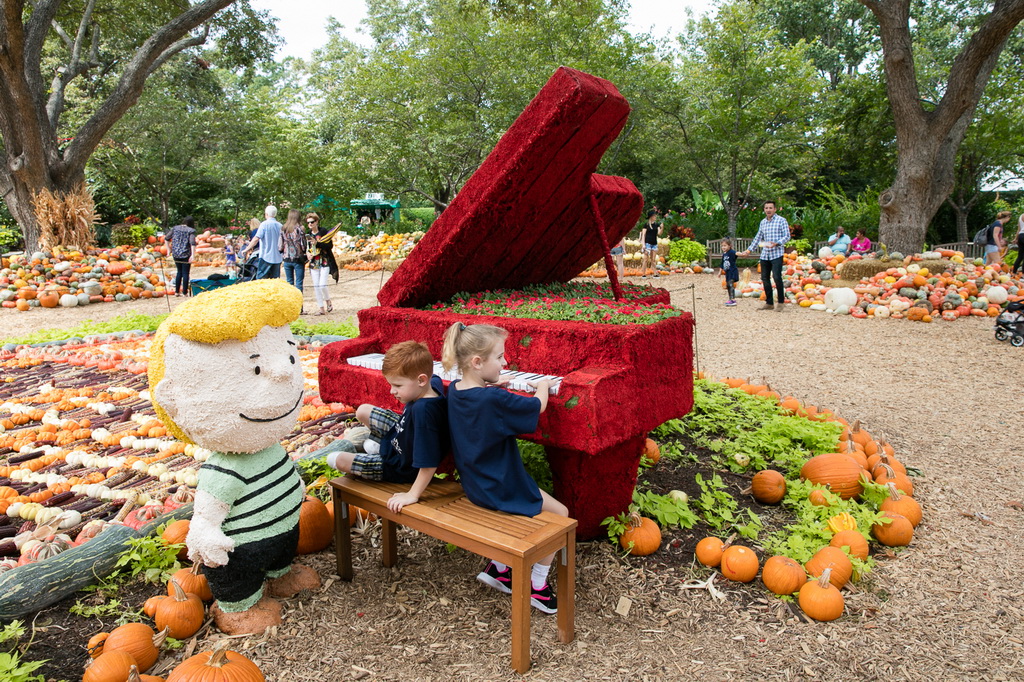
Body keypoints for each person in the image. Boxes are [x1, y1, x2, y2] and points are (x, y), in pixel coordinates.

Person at [441, 322, 570, 615]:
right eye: (499, 357)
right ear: (477, 362)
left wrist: (491, 385)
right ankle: (537, 586)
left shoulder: (457, 390)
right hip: (501, 487)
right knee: (560, 516)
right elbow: (536, 407)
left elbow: (483, 404)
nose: (505, 362)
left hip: (476, 485)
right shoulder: (492, 398)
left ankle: (499, 569)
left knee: (538, 502)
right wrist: (540, 387)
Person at [325, 341, 449, 512]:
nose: (392, 391)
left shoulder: (424, 414)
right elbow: (435, 377)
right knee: (362, 411)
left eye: (398, 385)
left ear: (421, 380)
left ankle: (377, 450)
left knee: (335, 459)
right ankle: (378, 445)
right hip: (399, 433)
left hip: (400, 466)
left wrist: (412, 494)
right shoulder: (431, 386)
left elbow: (429, 462)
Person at [739, 200, 789, 311]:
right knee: (765, 278)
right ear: (764, 210)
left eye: (770, 208)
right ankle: (769, 303)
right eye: (766, 208)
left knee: (776, 277)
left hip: (777, 253)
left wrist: (777, 243)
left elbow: (787, 236)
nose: (768, 210)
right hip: (765, 255)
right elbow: (758, 238)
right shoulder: (763, 222)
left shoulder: (781, 221)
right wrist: (748, 251)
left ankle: (781, 302)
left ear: (775, 209)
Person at [306, 213, 340, 315]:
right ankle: (321, 308)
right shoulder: (308, 234)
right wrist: (308, 254)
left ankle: (328, 301)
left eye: (312, 222)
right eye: (308, 223)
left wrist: (317, 243)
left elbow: (329, 245)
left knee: (322, 285)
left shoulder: (323, 231)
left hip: (325, 261)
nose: (310, 224)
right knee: (316, 286)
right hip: (314, 262)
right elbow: (307, 247)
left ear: (317, 222)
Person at [242, 205, 283, 280]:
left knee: (261, 278)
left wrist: (246, 249)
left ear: (266, 214)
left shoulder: (264, 224)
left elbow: (256, 239)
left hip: (266, 256)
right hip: (277, 257)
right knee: (275, 280)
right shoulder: (280, 225)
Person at [279, 209, 307, 311]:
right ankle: (299, 308)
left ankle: (291, 308)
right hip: (298, 258)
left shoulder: (283, 228)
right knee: (299, 283)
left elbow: (280, 246)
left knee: (289, 283)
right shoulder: (300, 229)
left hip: (287, 259)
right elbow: (303, 246)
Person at [168, 216, 197, 297]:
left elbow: (166, 238)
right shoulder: (190, 230)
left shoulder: (175, 228)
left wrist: (168, 250)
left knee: (179, 272)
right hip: (185, 254)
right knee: (185, 273)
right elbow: (192, 243)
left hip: (176, 253)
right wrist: (193, 255)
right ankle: (185, 292)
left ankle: (177, 292)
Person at [639, 210, 662, 278]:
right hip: (647, 243)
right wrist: (643, 244)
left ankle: (655, 273)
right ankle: (643, 273)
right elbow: (643, 235)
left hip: (654, 244)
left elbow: (659, 233)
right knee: (645, 259)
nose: (655, 217)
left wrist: (662, 227)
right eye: (654, 216)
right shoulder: (646, 225)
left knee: (653, 259)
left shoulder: (656, 225)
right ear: (651, 217)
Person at [720, 238, 739, 307]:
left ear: (729, 246)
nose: (723, 247)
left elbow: (736, 253)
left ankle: (733, 300)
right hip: (727, 272)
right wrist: (719, 272)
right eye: (722, 246)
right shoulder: (724, 254)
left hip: (733, 271)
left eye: (725, 245)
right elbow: (722, 264)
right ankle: (730, 299)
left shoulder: (731, 252)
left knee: (731, 284)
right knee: (728, 285)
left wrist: (742, 254)